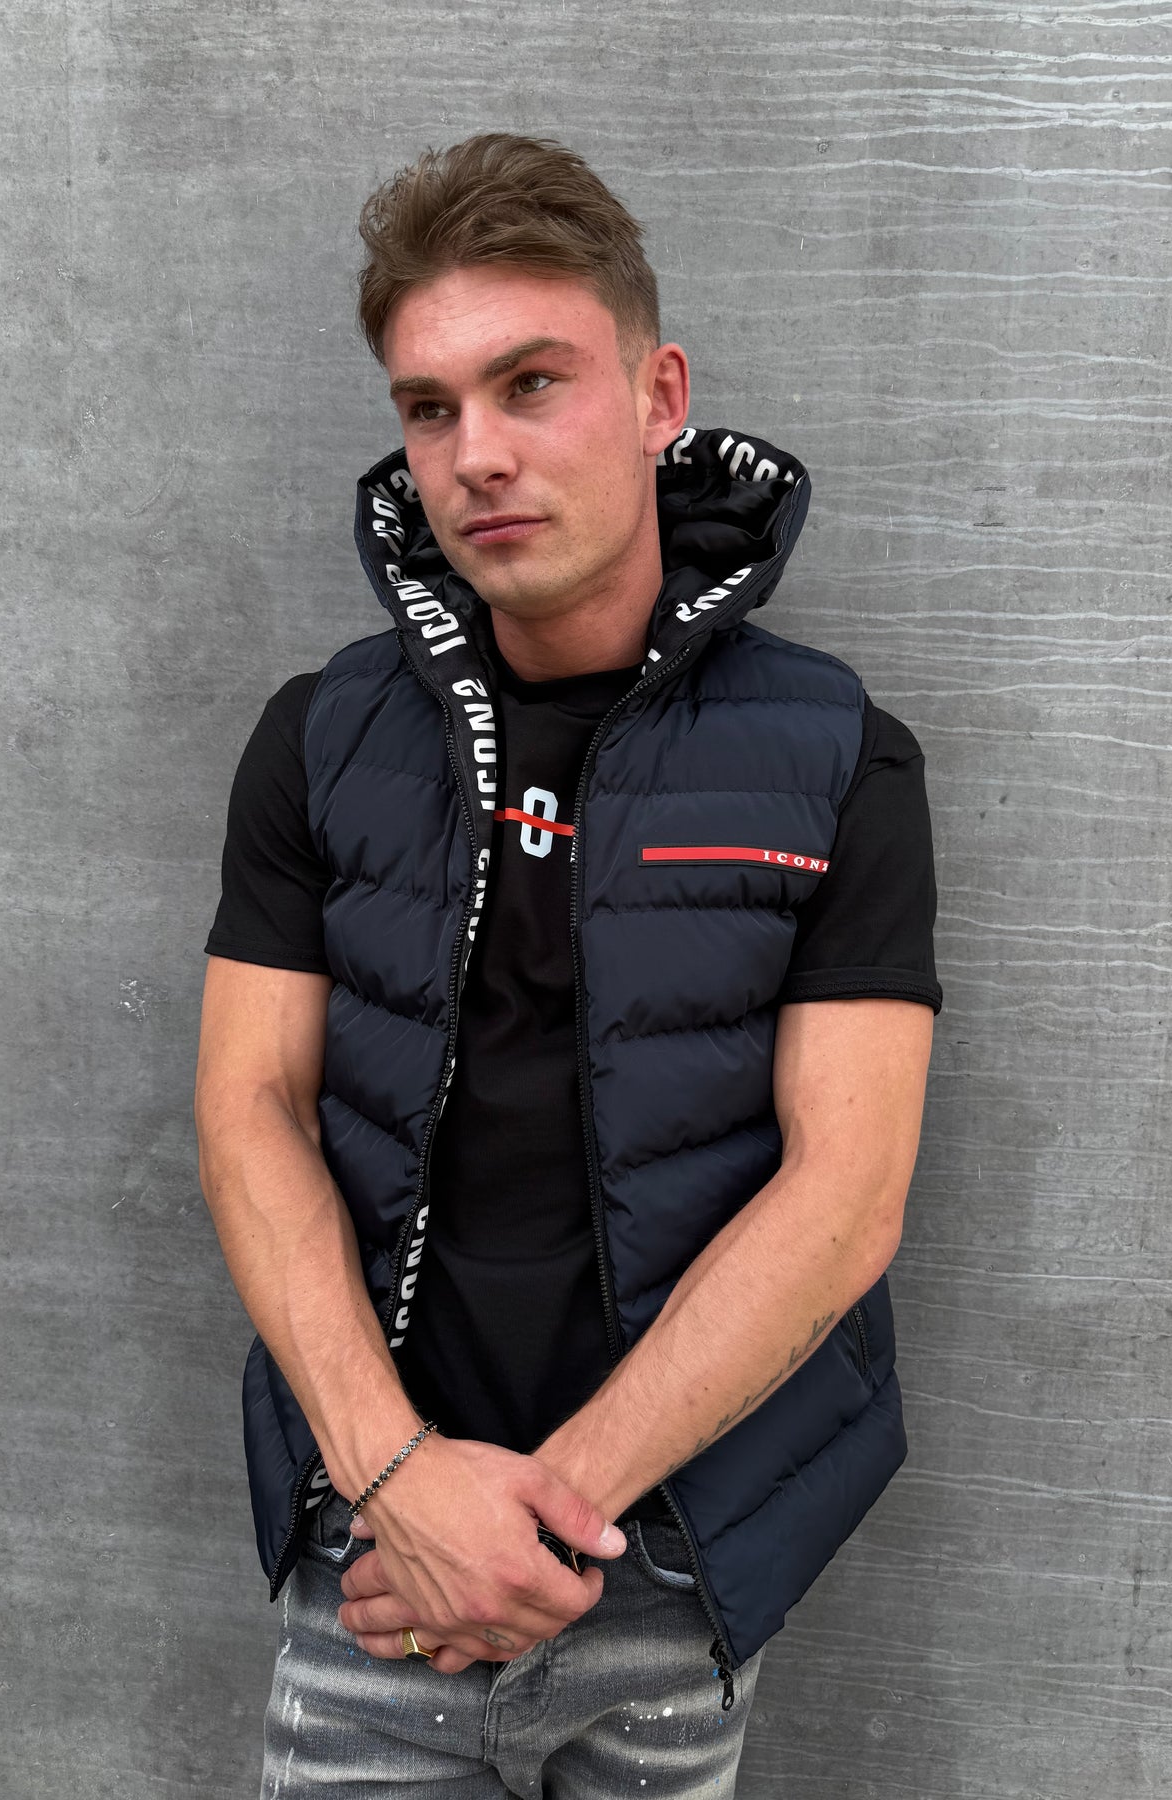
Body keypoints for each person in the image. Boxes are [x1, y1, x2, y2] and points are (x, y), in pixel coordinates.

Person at [194, 131, 942, 1799]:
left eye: (531, 382)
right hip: (375, 1570)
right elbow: (249, 1110)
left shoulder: (837, 757)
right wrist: (400, 1484)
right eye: (429, 406)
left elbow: (848, 1193)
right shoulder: (319, 739)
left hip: (660, 1567)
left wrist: (547, 1515)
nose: (476, 454)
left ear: (658, 393)